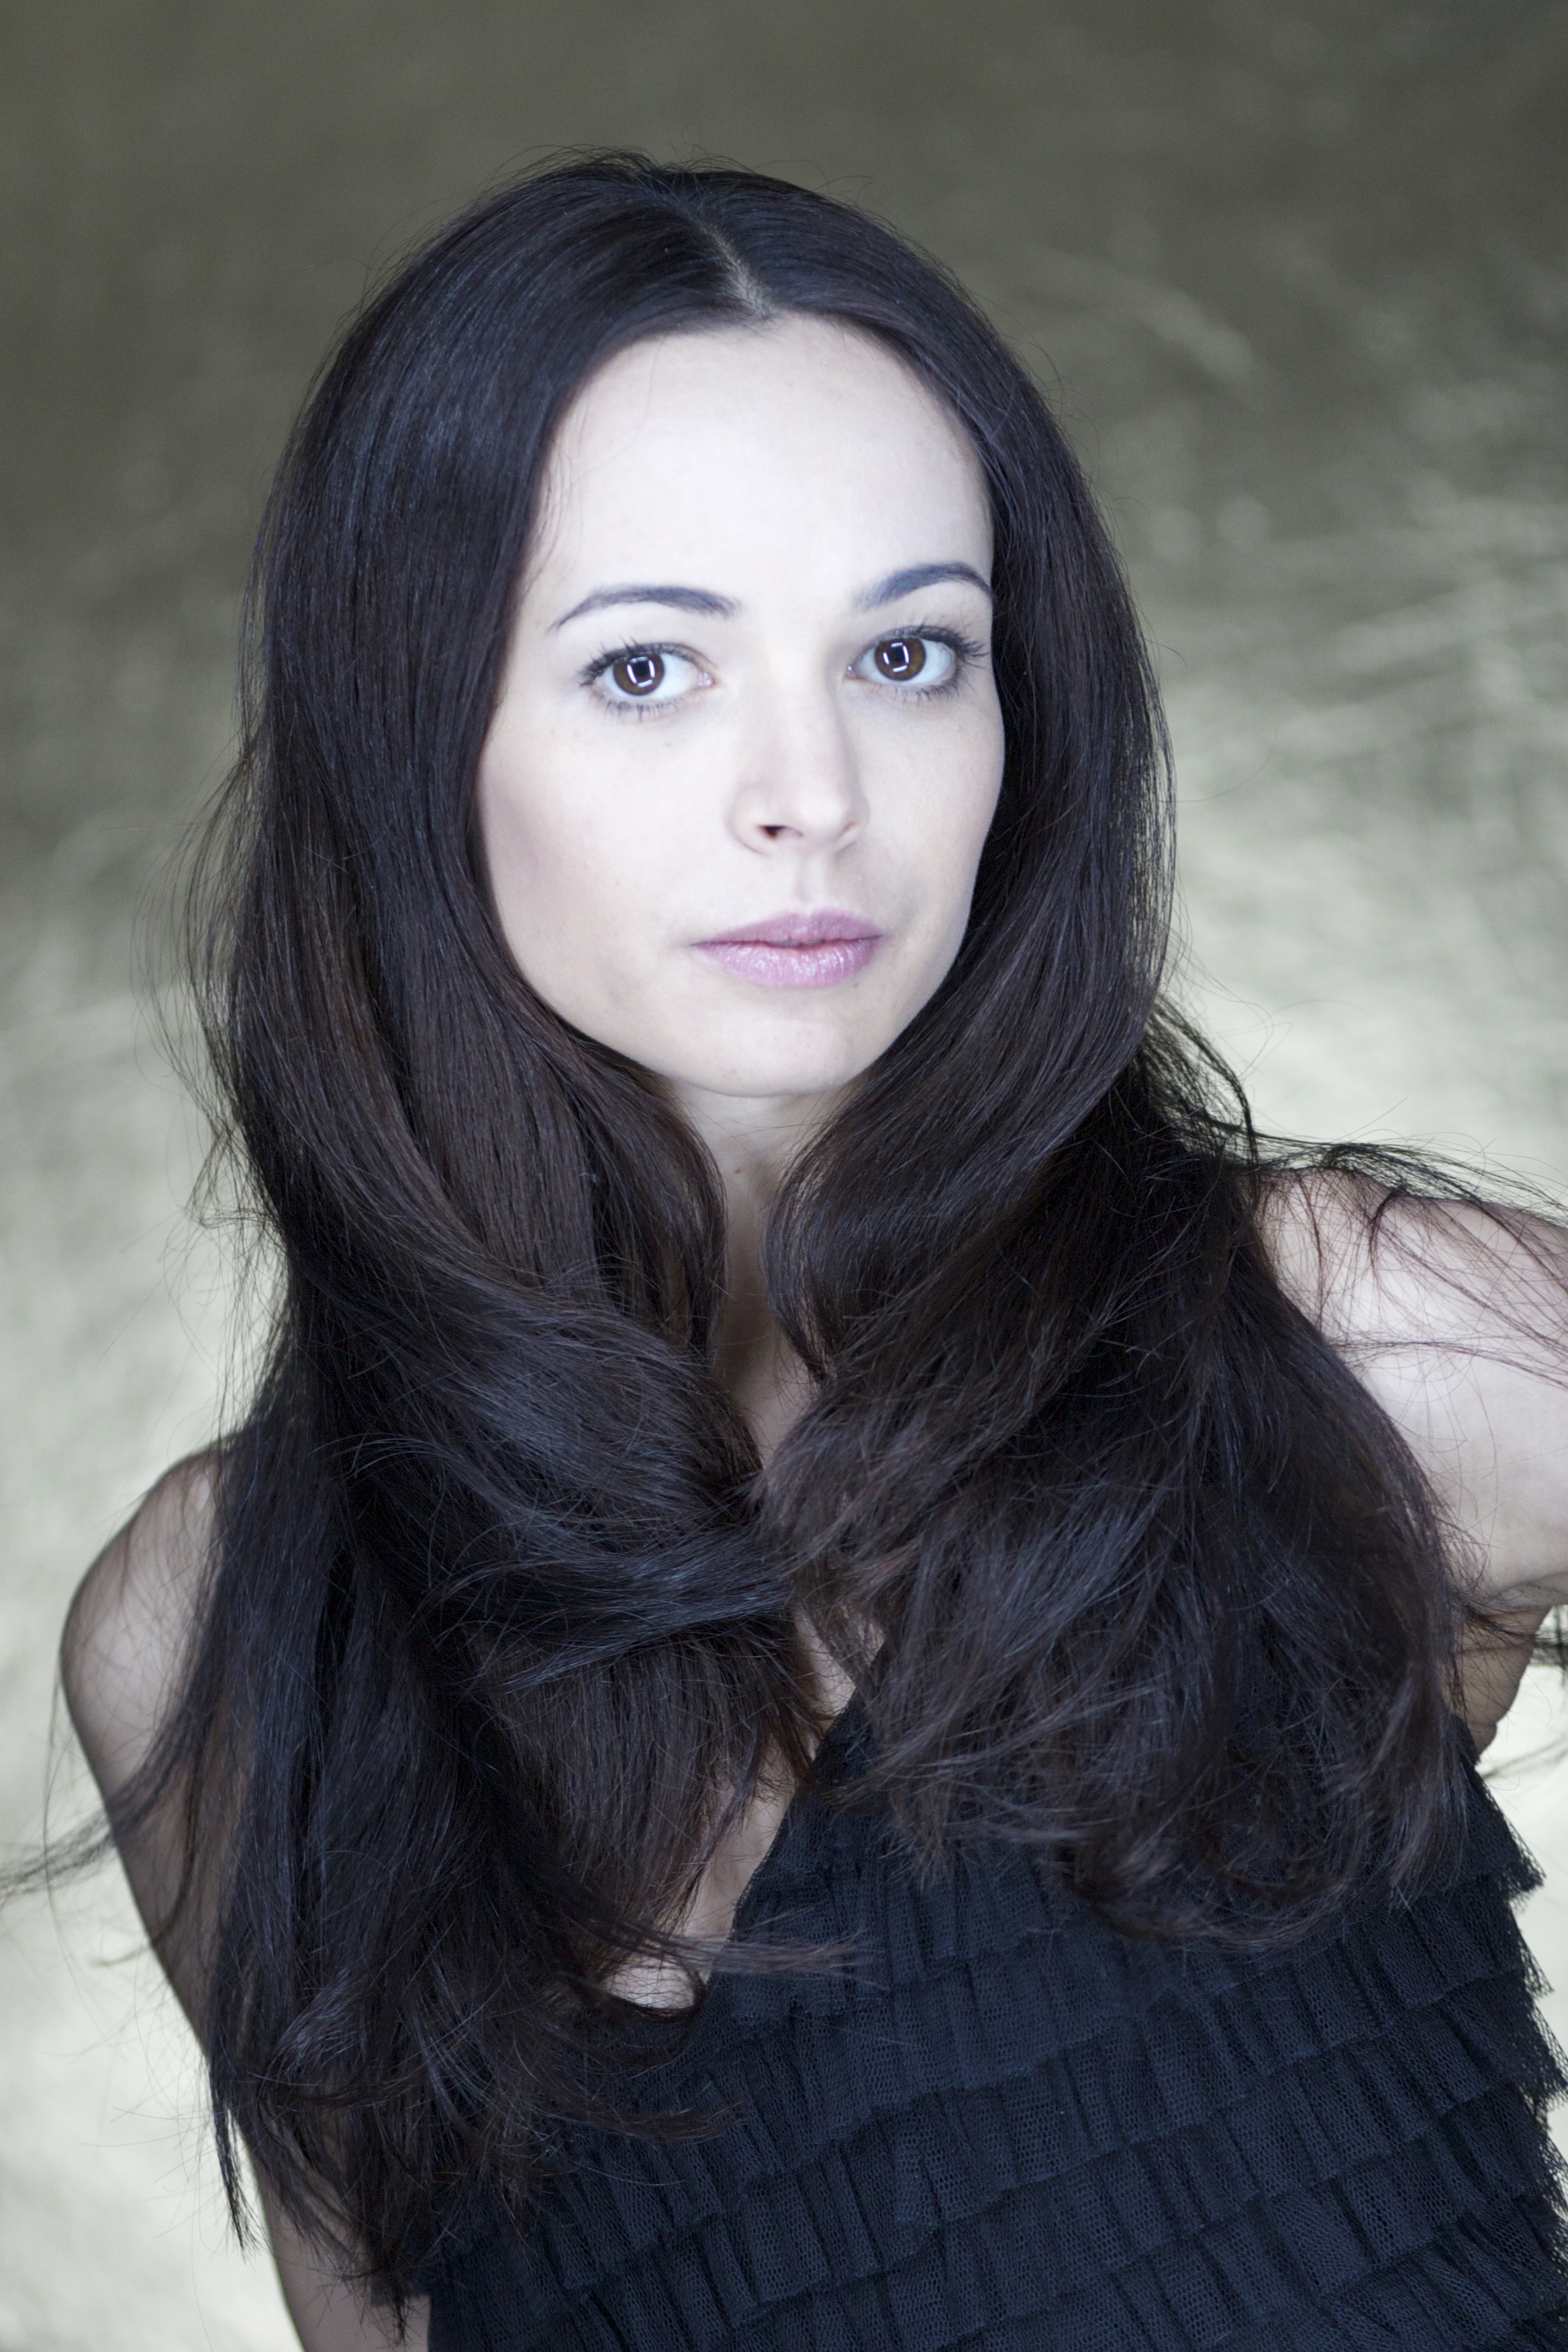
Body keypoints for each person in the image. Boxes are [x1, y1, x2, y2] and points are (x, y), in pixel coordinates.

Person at [57, 154, 1568, 2350]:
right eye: (647, 665)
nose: (814, 790)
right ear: (412, 738)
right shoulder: (223, 1634)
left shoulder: (1364, 1336)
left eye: (910, 652)